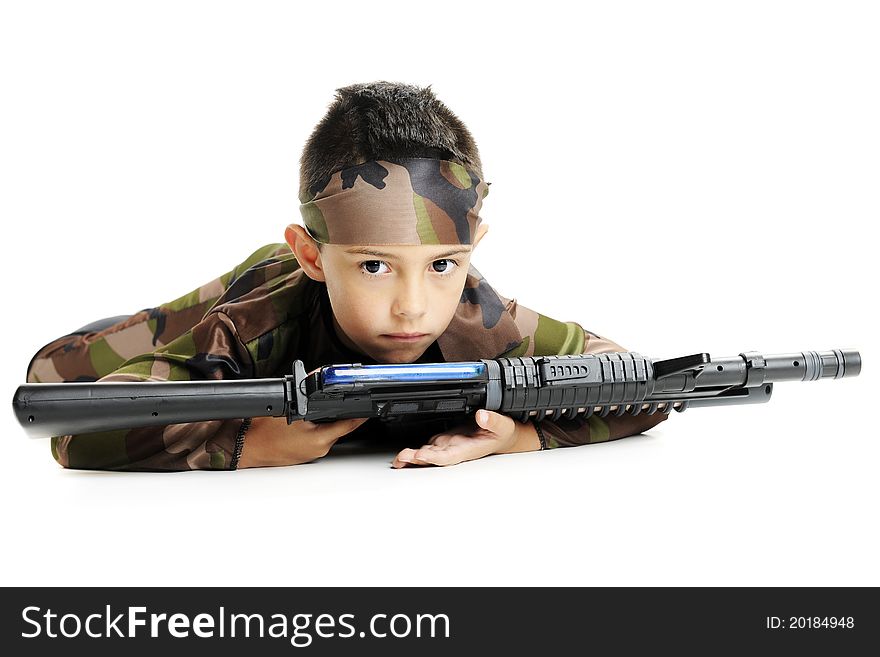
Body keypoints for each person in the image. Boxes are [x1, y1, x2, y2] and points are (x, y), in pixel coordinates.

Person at [25, 81, 670, 472]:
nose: (413, 308)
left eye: (443, 265)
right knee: (54, 369)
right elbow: (75, 429)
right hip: (257, 292)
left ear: (473, 249)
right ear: (314, 255)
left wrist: (520, 437)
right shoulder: (247, 330)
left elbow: (645, 385)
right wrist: (248, 443)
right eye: (373, 266)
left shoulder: (483, 320)